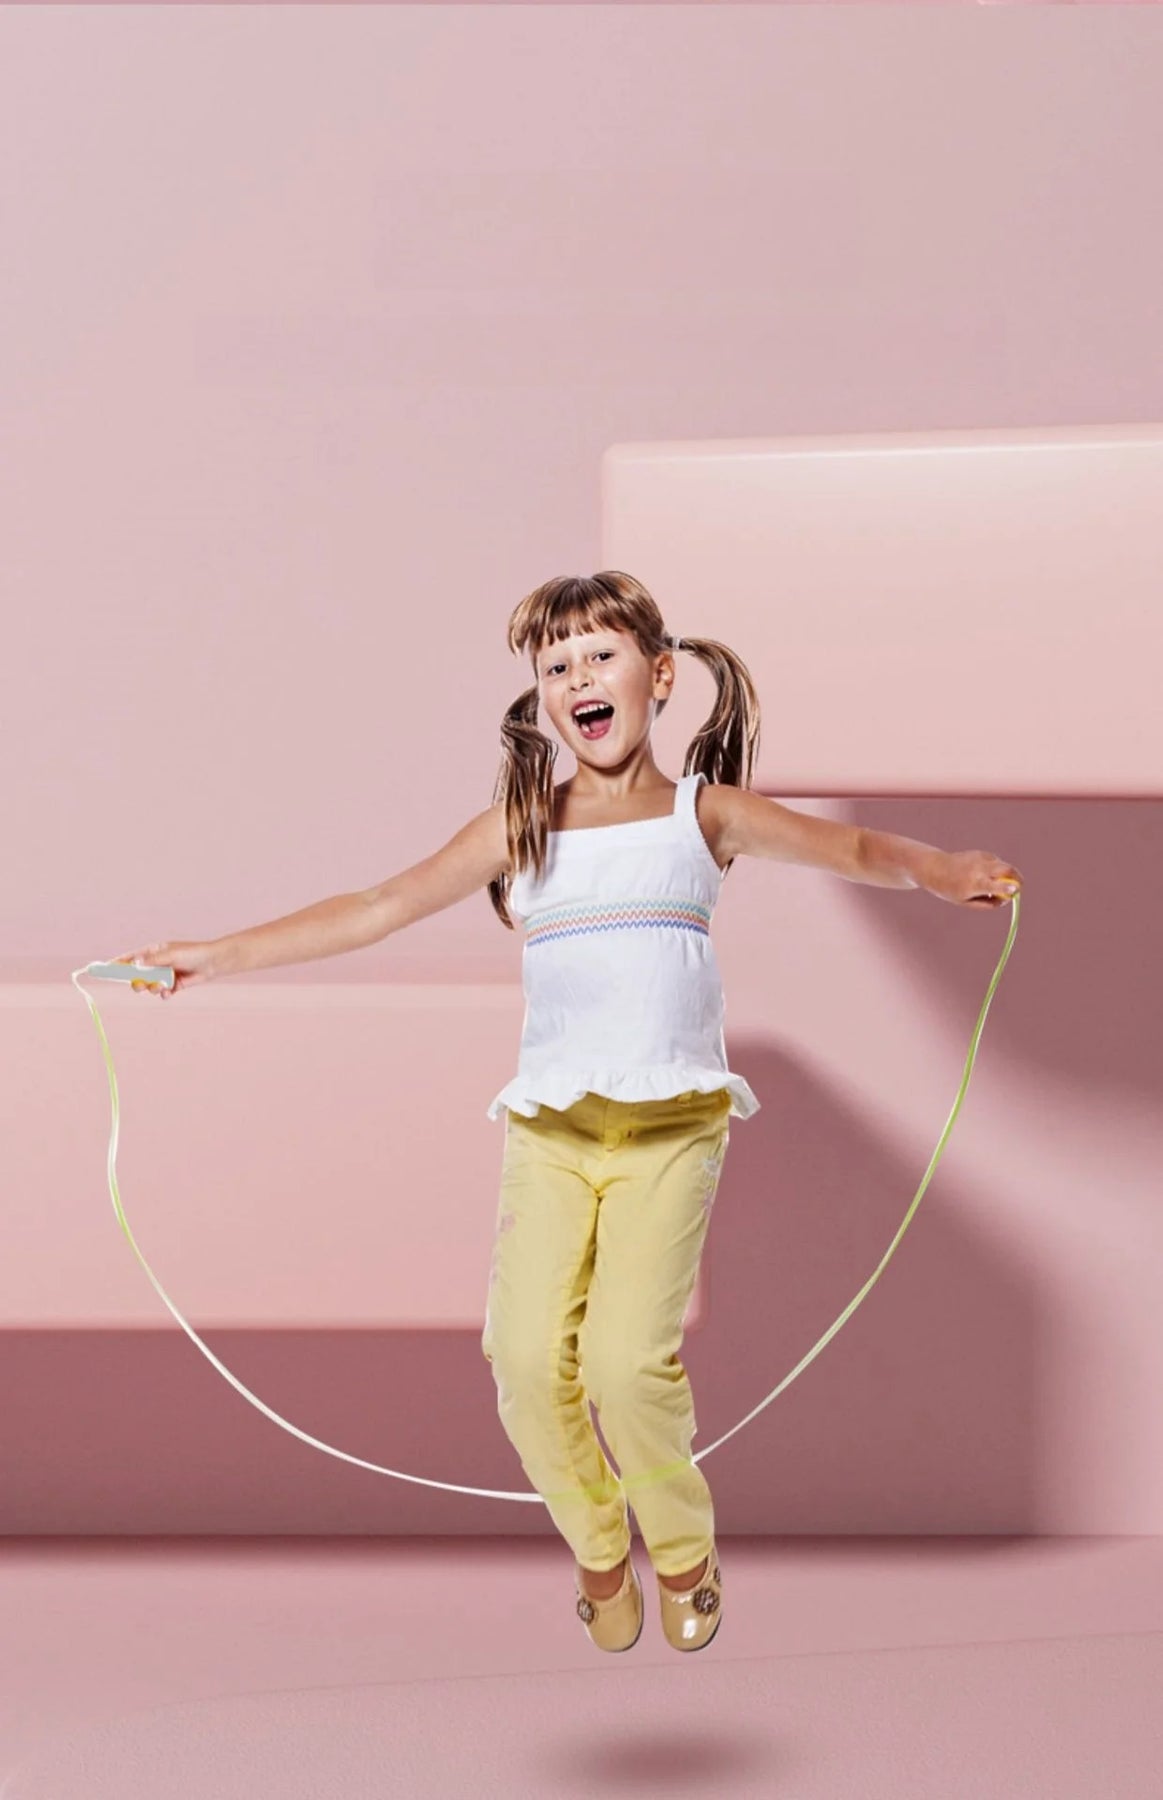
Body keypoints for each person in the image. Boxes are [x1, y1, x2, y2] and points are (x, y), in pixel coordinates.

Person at [114, 569, 1023, 1656]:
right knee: (523, 1363)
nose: (578, 678)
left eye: (600, 656)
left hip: (668, 1131)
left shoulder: (703, 814)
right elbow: (375, 906)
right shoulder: (520, 828)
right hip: (551, 1136)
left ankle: (680, 1550)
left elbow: (853, 849)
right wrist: (215, 956)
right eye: (556, 666)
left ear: (659, 677)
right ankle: (598, 1549)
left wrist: (934, 867)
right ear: (541, 697)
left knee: (626, 1366)